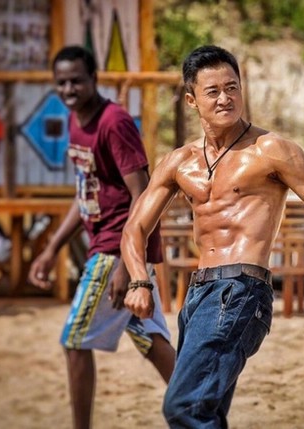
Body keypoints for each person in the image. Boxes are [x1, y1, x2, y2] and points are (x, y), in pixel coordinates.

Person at [121, 45, 304, 428]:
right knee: (206, 408)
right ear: (192, 100)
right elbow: (134, 227)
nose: (225, 98)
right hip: (198, 296)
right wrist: (139, 280)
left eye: (232, 87)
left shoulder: (270, 150)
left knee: (184, 408)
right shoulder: (179, 162)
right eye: (213, 91)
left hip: (241, 290)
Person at [27, 45, 176, 429]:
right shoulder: (76, 121)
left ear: (94, 79)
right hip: (115, 247)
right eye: (61, 82)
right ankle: (202, 418)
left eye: (76, 81)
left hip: (116, 247)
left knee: (75, 342)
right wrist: (52, 248)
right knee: (151, 341)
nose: (69, 89)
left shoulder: (114, 123)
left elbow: (142, 194)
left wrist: (128, 265)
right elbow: (85, 195)